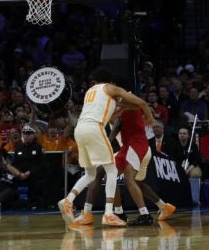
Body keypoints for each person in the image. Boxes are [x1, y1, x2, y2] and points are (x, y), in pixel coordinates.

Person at [56, 68, 153, 227]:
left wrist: (123, 108)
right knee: (112, 170)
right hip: (95, 128)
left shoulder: (90, 92)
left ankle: (68, 200)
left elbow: (113, 113)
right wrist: (149, 117)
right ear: (110, 82)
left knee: (90, 173)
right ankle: (109, 213)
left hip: (80, 129)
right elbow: (140, 102)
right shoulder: (110, 88)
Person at [111, 100, 175, 226]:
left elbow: (118, 121)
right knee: (136, 182)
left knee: (121, 178)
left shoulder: (119, 108)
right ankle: (163, 206)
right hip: (136, 149)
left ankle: (128, 213)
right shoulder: (118, 109)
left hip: (135, 147)